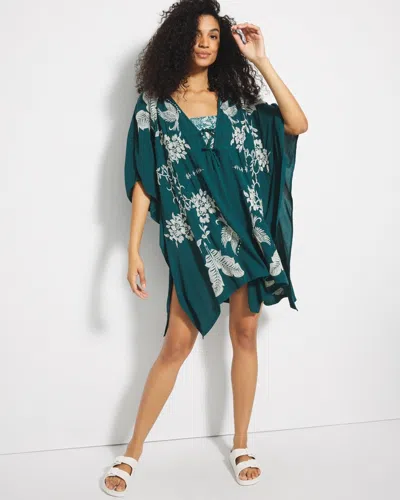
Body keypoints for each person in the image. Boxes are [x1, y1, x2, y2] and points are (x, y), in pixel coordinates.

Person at [101, 0, 308, 495]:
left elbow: (297, 124)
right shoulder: (155, 105)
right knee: (176, 344)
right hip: (194, 241)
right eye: (197, 34)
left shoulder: (237, 104)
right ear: (178, 39)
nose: (205, 43)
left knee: (245, 335)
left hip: (246, 235)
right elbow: (144, 179)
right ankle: (131, 452)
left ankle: (241, 444)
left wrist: (261, 60)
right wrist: (132, 249)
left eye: (214, 35)